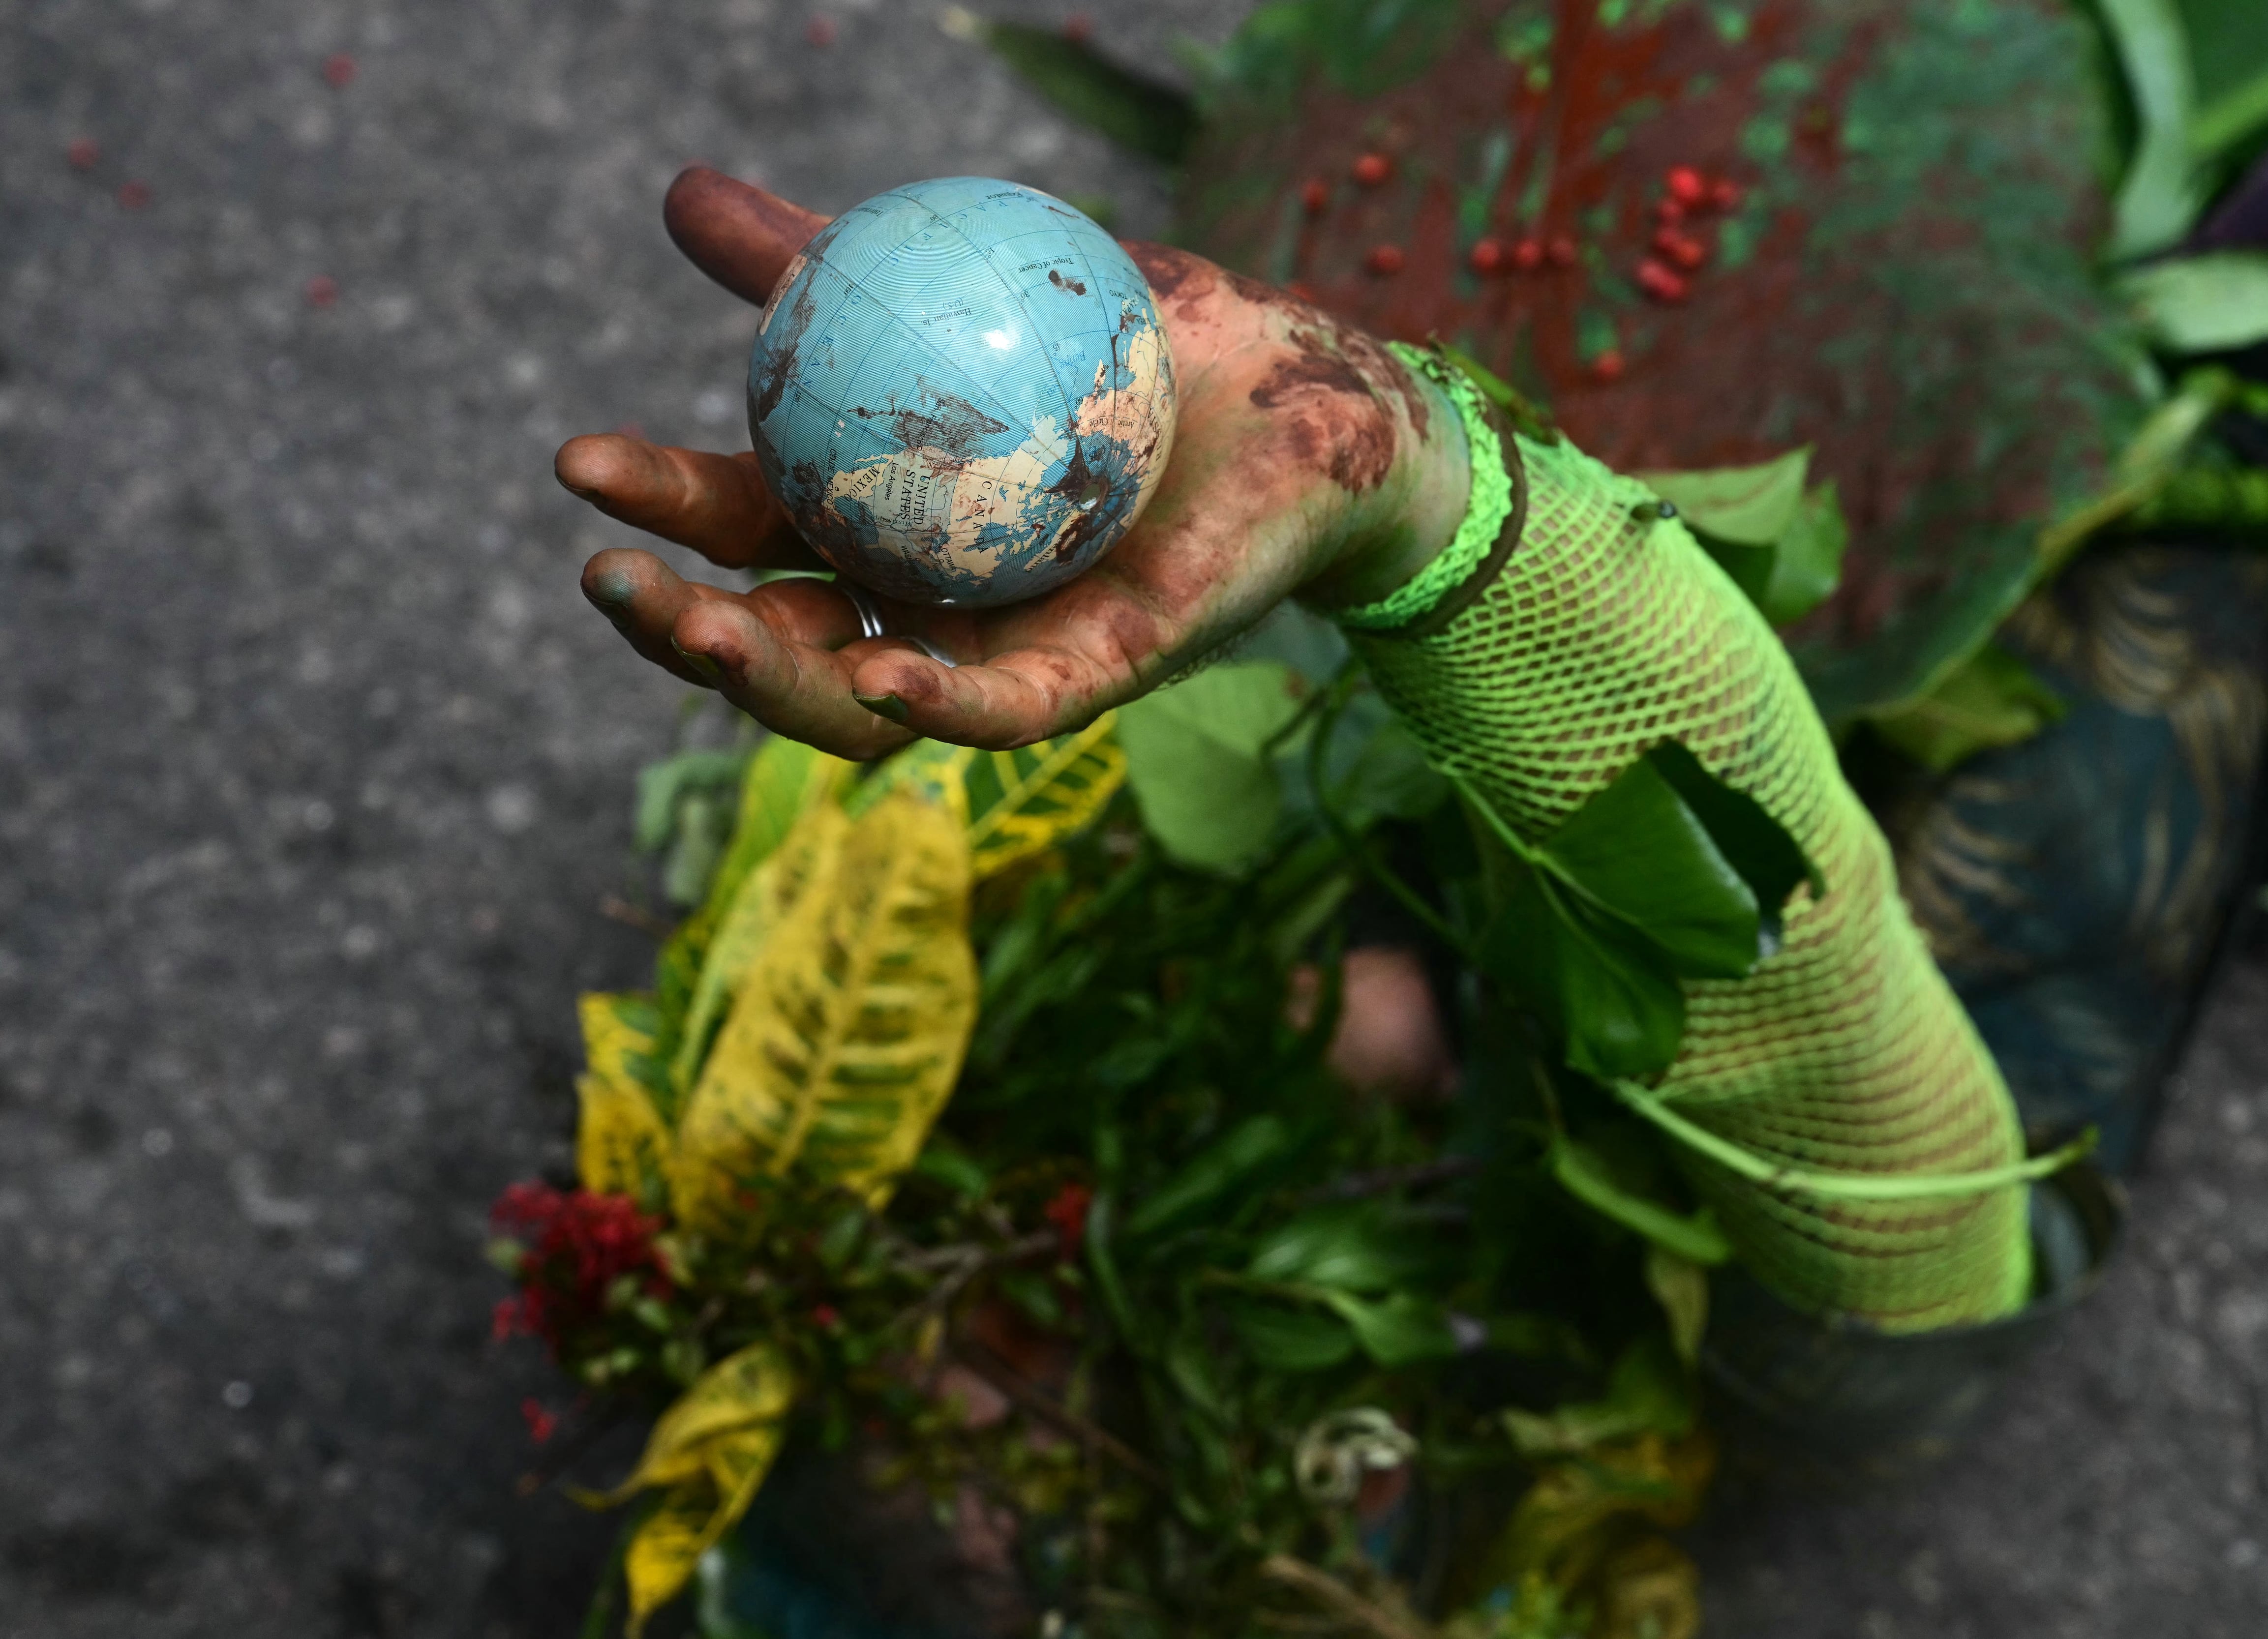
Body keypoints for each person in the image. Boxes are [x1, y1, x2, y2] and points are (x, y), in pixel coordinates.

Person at [559, 165, 2033, 1335]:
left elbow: (1920, 1223)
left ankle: (1448, 1003)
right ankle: (1447, 1002)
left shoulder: (2031, 877)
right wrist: (1420, 507)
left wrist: (1419, 487)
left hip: (1801, 1108)